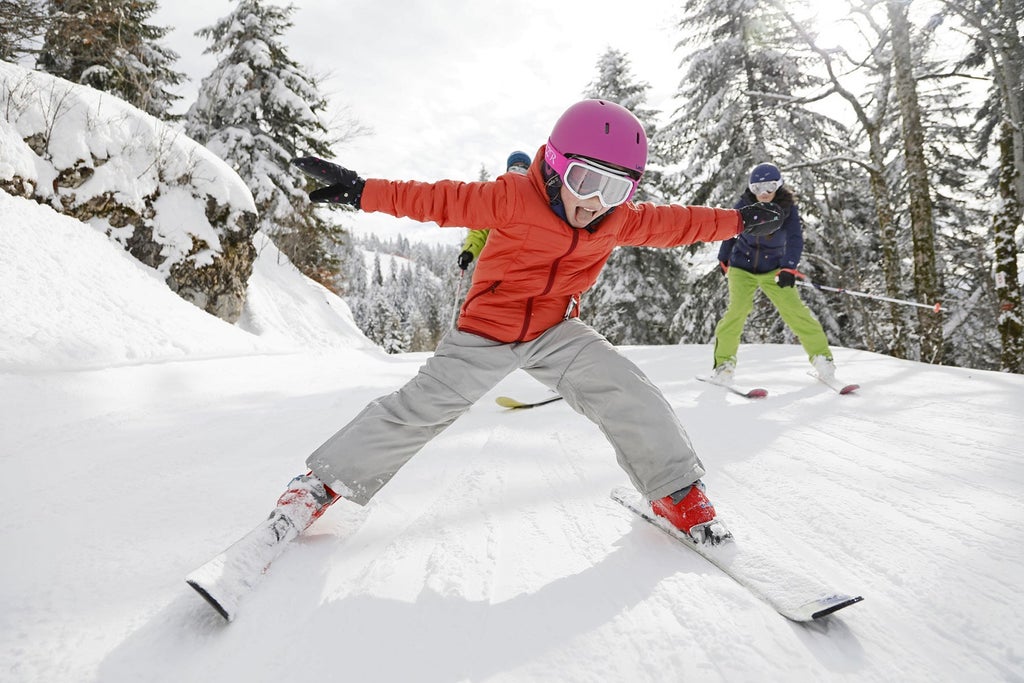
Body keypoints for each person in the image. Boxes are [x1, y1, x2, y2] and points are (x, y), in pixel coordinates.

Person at [282, 99, 781, 548]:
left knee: (628, 389)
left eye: (615, 188)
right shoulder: (512, 197)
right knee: (418, 409)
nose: (594, 202)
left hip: (554, 330)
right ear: (556, 167)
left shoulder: (617, 218)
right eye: (585, 181)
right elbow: (437, 199)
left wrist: (737, 222)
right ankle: (319, 485)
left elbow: (679, 223)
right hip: (485, 331)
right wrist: (362, 190)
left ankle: (677, 492)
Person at [711, 162, 836, 382]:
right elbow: (730, 231)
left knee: (795, 311)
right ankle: (724, 365)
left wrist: (789, 267)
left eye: (769, 187)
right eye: (758, 188)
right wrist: (724, 256)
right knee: (737, 312)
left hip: (774, 269)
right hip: (742, 267)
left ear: (778, 185)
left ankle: (822, 359)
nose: (764, 193)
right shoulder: (744, 205)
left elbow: (795, 239)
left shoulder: (787, 209)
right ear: (751, 189)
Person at [457, 151, 532, 270]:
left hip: (527, 266)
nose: (518, 171)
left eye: (523, 168)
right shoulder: (497, 198)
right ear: (508, 171)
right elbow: (480, 228)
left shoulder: (535, 200)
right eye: (514, 167)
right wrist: (469, 251)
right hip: (499, 264)